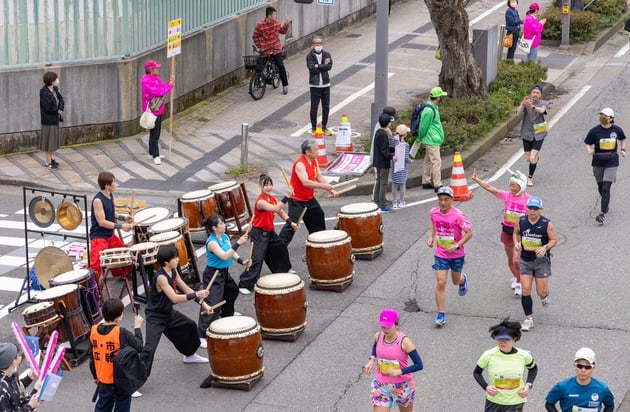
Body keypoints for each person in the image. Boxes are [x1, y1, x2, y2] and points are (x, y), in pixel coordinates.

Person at [141, 245, 212, 379]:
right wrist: (197, 293)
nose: (178, 259)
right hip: (155, 316)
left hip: (168, 313)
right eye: (175, 258)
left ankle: (189, 355)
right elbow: (174, 297)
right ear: (166, 262)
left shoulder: (173, 271)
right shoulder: (161, 277)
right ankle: (132, 384)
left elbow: (186, 289)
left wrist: (204, 305)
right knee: (149, 349)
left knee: (190, 326)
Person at [472, 168, 529, 295]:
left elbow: (535, 216)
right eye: (511, 186)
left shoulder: (529, 201)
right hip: (507, 231)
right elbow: (490, 188)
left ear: (522, 186)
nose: (512, 188)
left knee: (516, 259)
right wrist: (477, 180)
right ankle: (516, 277)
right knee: (510, 259)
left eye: (515, 186)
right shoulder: (507, 195)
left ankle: (519, 283)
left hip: (520, 234)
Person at [238, 175, 297, 295]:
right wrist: (287, 196)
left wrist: (291, 223)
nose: (269, 187)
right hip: (259, 233)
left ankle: (283, 269)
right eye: (266, 185)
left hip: (269, 232)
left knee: (280, 248)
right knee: (256, 259)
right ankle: (244, 284)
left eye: (270, 184)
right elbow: (275, 208)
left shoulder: (272, 198)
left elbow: (280, 211)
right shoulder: (260, 201)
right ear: (260, 186)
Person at [198, 215, 249, 344]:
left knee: (232, 291)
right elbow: (225, 256)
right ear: (214, 228)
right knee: (212, 303)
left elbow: (230, 252)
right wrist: (238, 243)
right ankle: (202, 334)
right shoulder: (212, 242)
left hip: (224, 272)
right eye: (221, 223)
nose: (224, 224)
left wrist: (241, 261)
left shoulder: (225, 237)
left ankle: (227, 313)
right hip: (213, 275)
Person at [427, 186, 472, 327]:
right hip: (440, 254)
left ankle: (462, 280)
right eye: (440, 200)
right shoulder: (433, 212)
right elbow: (434, 224)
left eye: (446, 200)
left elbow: (469, 233)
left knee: (455, 280)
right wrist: (431, 237)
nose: (443, 203)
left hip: (456, 254)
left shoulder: (458, 215)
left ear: (452, 200)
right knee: (441, 282)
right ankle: (441, 314)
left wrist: (457, 245)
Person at [278, 138, 337, 246]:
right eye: (315, 149)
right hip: (297, 200)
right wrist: (325, 187)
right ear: (307, 152)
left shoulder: (314, 161)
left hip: (309, 198)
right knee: (292, 224)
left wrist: (331, 189)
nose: (318, 151)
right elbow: (306, 182)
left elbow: (319, 176)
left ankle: (318, 241)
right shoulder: (300, 164)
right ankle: (278, 246)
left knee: (318, 215)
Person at [363, 309, 423, 412]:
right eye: (383, 326)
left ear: (396, 324)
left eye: (388, 326)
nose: (385, 329)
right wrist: (371, 359)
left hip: (402, 386)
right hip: (381, 385)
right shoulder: (379, 336)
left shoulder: (404, 342)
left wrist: (400, 371)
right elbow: (375, 347)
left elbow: (419, 365)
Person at [90, 298, 144, 411]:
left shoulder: (94, 331)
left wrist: (95, 376)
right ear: (118, 318)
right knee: (122, 406)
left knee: (102, 407)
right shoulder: (121, 332)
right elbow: (139, 347)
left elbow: (93, 357)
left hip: (103, 379)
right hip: (121, 380)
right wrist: (137, 327)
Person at [512, 196, 557, 331]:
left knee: (541, 291)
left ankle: (544, 297)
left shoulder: (546, 224)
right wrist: (517, 244)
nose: (532, 211)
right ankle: (529, 319)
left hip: (541, 261)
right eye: (530, 208)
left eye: (535, 209)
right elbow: (516, 233)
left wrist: (545, 248)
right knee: (525, 289)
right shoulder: (521, 221)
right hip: (525, 259)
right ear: (526, 209)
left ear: (540, 210)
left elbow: (554, 240)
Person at [473, 318, 538, 411]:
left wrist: (528, 385)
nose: (502, 342)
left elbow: (533, 369)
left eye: (506, 339)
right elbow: (476, 373)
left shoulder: (524, 355)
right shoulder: (488, 355)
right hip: (494, 401)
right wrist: (486, 387)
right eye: (499, 339)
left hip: (515, 402)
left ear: (514, 339)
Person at [583, 107, 627, 225]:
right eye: (601, 115)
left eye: (605, 116)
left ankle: (602, 213)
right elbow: (587, 142)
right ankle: (605, 203)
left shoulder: (616, 130)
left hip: (612, 161)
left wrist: (623, 149)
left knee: (606, 188)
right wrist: (589, 150)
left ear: (611, 119)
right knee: (600, 186)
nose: (602, 118)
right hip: (598, 161)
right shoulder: (594, 131)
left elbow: (623, 138)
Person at [89, 171, 133, 282]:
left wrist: (123, 218)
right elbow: (102, 222)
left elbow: (111, 212)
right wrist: (121, 226)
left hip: (110, 236)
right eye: (114, 182)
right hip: (99, 237)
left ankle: (122, 275)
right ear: (107, 186)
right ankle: (90, 287)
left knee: (123, 255)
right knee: (95, 265)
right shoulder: (98, 200)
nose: (116, 184)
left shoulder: (110, 195)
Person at [545, 347, 615, 412]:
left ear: (593, 367)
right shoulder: (562, 387)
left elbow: (610, 405)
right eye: (580, 366)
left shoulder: (602, 389)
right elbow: (549, 404)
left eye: (587, 367)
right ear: (575, 366)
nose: (583, 370)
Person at [141, 59, 174, 165]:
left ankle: (152, 153)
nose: (158, 69)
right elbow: (157, 91)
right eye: (156, 68)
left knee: (156, 132)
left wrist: (169, 82)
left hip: (158, 107)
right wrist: (169, 85)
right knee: (154, 133)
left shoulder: (156, 78)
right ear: (151, 69)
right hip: (152, 109)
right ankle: (155, 155)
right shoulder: (146, 80)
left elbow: (161, 88)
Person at [253, 6, 290, 95]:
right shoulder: (260, 25)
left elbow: (282, 31)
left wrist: (286, 25)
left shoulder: (277, 23)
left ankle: (285, 86)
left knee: (280, 66)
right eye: (274, 14)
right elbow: (255, 36)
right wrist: (260, 46)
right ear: (269, 15)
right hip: (265, 50)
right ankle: (257, 83)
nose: (276, 16)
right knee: (259, 66)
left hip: (276, 49)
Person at [517, 84, 548, 187]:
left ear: (541, 95)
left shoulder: (543, 103)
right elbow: (518, 114)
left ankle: (530, 178)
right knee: (528, 158)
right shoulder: (526, 103)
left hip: (539, 133)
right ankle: (534, 159)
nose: (535, 94)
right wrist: (522, 104)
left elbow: (542, 111)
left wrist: (533, 106)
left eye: (537, 93)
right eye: (534, 92)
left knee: (533, 156)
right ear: (531, 93)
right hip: (527, 132)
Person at [419, 87, 447, 192]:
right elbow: (423, 126)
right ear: (438, 97)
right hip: (432, 140)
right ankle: (437, 184)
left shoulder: (432, 107)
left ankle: (426, 181)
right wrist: (420, 137)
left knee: (428, 161)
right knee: (436, 162)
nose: (442, 98)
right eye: (441, 96)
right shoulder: (429, 110)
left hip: (431, 139)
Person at [0, 342, 43, 411]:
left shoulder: (8, 377)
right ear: (13, 362)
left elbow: (17, 400)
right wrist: (30, 406)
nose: (20, 356)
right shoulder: (2, 390)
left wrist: (34, 393)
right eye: (18, 355)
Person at [371, 106, 399, 205]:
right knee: (383, 183)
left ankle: (376, 199)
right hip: (383, 163)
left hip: (377, 161)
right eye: (390, 122)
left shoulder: (379, 131)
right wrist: (392, 156)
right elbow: (384, 150)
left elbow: (381, 148)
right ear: (387, 123)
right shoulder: (384, 134)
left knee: (379, 181)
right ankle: (382, 201)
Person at [307, 36, 333, 136]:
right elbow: (312, 69)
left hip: (326, 84)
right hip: (314, 85)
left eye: (320, 43)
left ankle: (324, 126)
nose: (319, 45)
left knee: (326, 106)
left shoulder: (327, 54)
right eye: (317, 44)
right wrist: (323, 65)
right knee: (314, 107)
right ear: (313, 45)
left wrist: (318, 65)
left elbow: (329, 66)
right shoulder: (310, 56)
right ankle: (314, 127)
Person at [39, 71, 65, 170]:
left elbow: (61, 99)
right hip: (48, 121)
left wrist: (61, 108)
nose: (57, 80)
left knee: (52, 141)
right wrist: (57, 110)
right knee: (48, 142)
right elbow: (47, 108)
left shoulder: (54, 89)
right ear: (52, 81)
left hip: (54, 119)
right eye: (56, 79)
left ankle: (50, 159)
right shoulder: (44, 93)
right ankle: (48, 162)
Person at [391, 125, 411, 209]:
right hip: (402, 168)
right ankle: (401, 201)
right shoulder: (405, 145)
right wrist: (410, 161)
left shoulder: (393, 142)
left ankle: (394, 201)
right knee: (402, 185)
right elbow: (406, 158)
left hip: (394, 166)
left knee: (394, 184)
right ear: (405, 134)